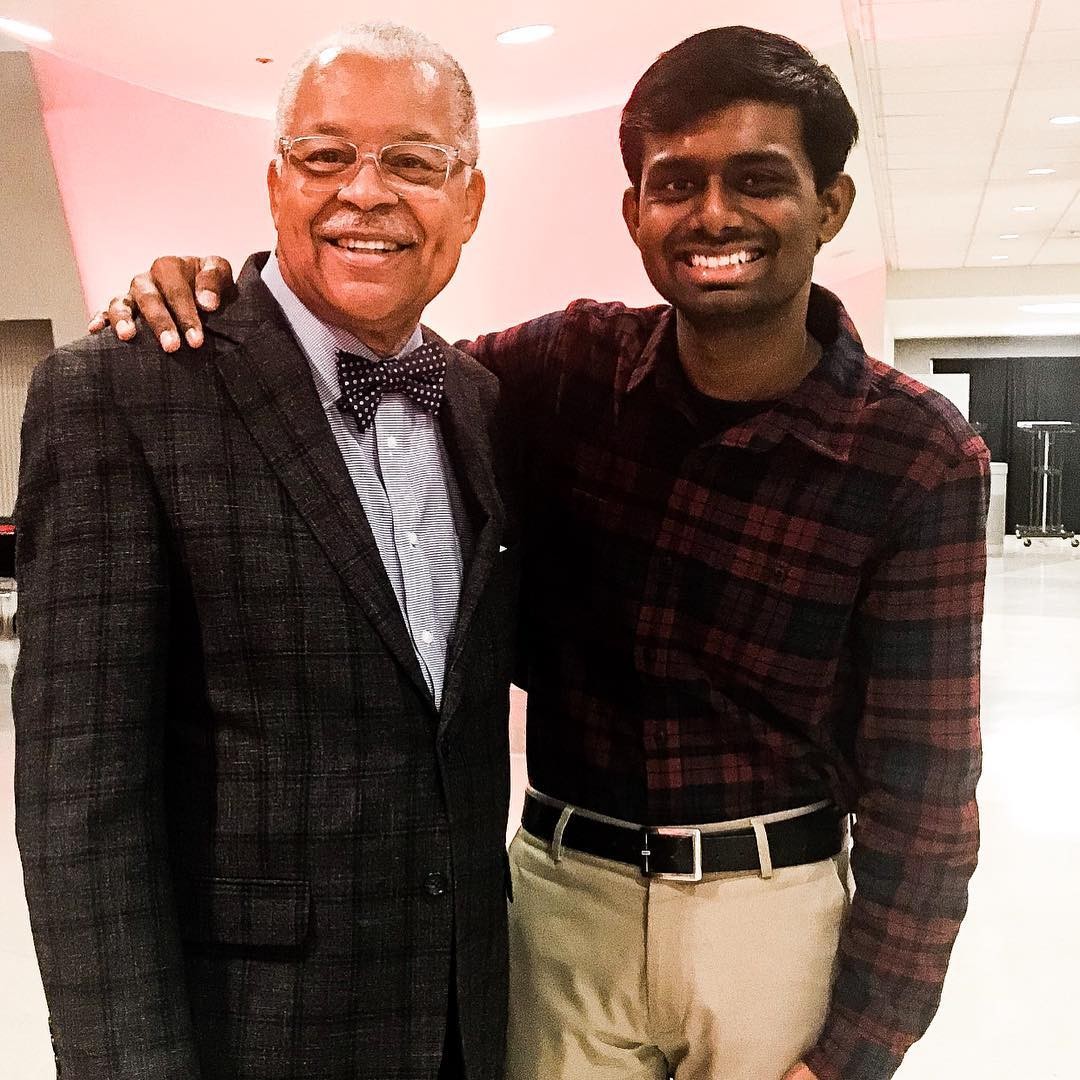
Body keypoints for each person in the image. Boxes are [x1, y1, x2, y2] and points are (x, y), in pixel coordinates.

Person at [92, 25, 989, 1080]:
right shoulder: (556, 371)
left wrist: (858, 1049)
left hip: (771, 920)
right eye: (676, 183)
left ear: (828, 206)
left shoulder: (917, 454)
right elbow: (349, 379)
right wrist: (210, 293)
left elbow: (928, 793)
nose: (713, 215)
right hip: (562, 906)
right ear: (634, 213)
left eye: (759, 180)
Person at [14, 23, 517, 1080]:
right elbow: (81, 805)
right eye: (325, 155)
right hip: (251, 1031)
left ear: (469, 200)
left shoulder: (478, 402)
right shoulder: (123, 390)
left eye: (415, 162)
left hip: (463, 1016)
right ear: (277, 182)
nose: (365, 192)